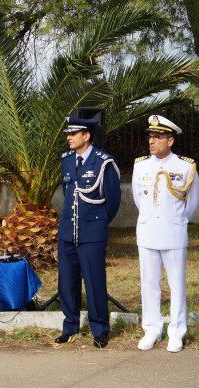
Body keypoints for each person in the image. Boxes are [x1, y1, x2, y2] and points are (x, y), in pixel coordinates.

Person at [132, 115, 199, 353]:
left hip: (173, 233)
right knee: (149, 283)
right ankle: (151, 329)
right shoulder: (140, 165)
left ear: (170, 140)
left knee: (176, 285)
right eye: (150, 136)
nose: (152, 141)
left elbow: (192, 204)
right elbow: (138, 199)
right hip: (148, 232)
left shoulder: (185, 167)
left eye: (158, 137)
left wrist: (176, 220)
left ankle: (177, 332)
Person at [55, 115, 121, 348]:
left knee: (94, 281)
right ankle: (70, 325)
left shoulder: (104, 162)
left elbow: (112, 201)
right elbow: (67, 191)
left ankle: (100, 329)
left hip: (92, 232)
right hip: (67, 230)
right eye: (68, 134)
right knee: (67, 281)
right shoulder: (66, 160)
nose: (69, 138)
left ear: (86, 135)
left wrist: (96, 223)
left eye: (73, 134)